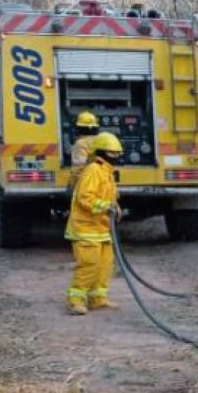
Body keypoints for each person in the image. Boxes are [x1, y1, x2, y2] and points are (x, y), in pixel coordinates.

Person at [65, 132, 122, 315]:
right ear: (101, 153)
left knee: (105, 265)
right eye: (112, 153)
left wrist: (115, 207)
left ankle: (98, 298)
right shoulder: (93, 170)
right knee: (89, 265)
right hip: (86, 228)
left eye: (117, 153)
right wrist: (106, 207)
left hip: (102, 228)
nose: (116, 157)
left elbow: (109, 197)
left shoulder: (107, 172)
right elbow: (85, 197)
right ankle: (75, 300)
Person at [69, 111, 99, 191]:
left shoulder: (80, 144)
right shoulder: (100, 140)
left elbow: (78, 168)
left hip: (86, 185)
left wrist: (73, 187)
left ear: (78, 128)